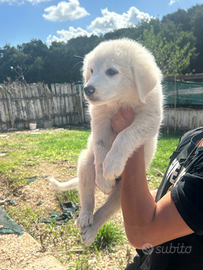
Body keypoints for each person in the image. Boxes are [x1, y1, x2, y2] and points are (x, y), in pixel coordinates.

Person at [111, 108, 203, 270]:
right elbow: (167, 194)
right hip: (146, 261)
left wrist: (131, 137)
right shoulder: (194, 137)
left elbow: (141, 233)